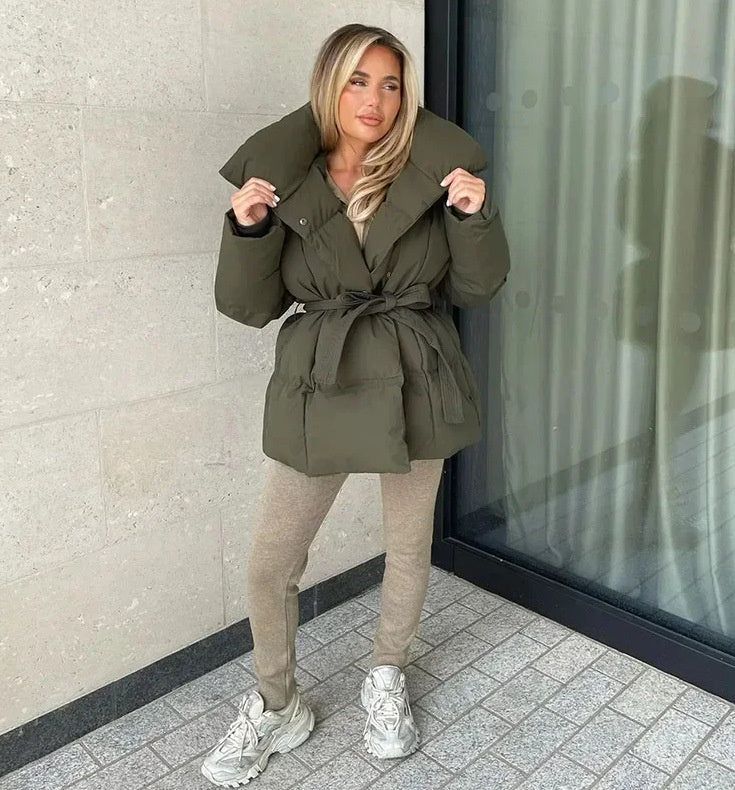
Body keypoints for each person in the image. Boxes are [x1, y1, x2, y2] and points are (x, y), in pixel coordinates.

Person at [201, 22, 510, 788]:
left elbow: (477, 287)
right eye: (357, 80)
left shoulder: (433, 173)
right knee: (271, 563)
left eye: (391, 83)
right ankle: (277, 704)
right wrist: (248, 230)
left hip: (415, 373)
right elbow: (248, 307)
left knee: (406, 546)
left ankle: (386, 672)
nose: (374, 99)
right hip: (323, 378)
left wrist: (471, 219)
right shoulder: (285, 182)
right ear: (328, 86)